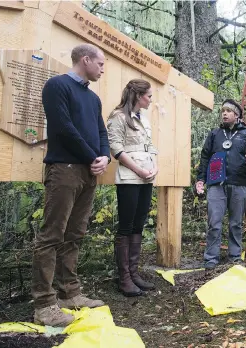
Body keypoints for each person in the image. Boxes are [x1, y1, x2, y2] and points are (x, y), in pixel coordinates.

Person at [32, 44, 109, 326]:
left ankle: (70, 294)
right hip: (63, 169)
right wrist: (93, 156)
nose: (103, 68)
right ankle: (44, 304)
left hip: (88, 172)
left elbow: (101, 131)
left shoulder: (93, 98)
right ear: (85, 60)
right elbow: (63, 127)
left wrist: (105, 157)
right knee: (51, 236)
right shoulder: (56, 86)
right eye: (100, 63)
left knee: (75, 234)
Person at [107, 79, 158, 297]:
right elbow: (116, 148)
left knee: (139, 223)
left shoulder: (143, 119)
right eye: (148, 96)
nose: (150, 100)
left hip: (147, 177)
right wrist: (138, 169)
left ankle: (134, 273)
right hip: (129, 178)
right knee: (126, 225)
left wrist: (154, 166)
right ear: (138, 96)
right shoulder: (118, 116)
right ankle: (124, 278)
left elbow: (150, 146)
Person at [196, 99, 246, 269]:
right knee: (214, 221)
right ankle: (211, 257)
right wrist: (200, 179)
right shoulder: (215, 134)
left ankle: (234, 255)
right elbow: (205, 157)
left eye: (228, 111)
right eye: (222, 111)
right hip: (216, 183)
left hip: (239, 183)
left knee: (236, 223)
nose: (224, 114)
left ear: (237, 114)